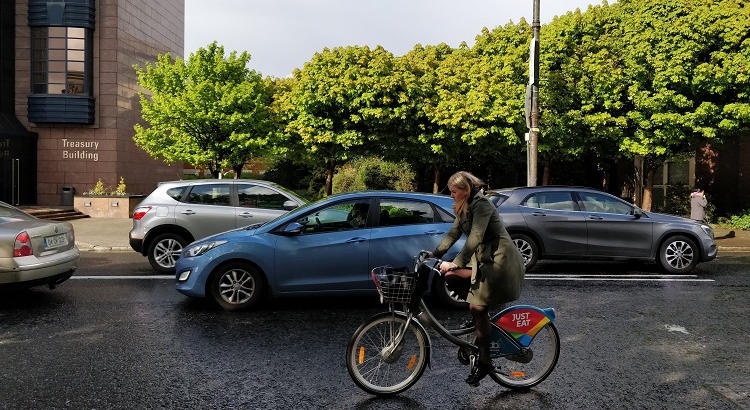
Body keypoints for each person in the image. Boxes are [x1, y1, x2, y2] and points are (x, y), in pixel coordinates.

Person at [429, 171, 525, 386]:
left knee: (477, 308)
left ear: (466, 190)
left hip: (499, 261)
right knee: (451, 278)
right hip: (483, 259)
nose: (451, 195)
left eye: (454, 191)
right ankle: (478, 319)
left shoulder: (481, 205)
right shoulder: (464, 206)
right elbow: (454, 233)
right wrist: (436, 254)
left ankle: (484, 362)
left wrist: (457, 262)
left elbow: (476, 237)